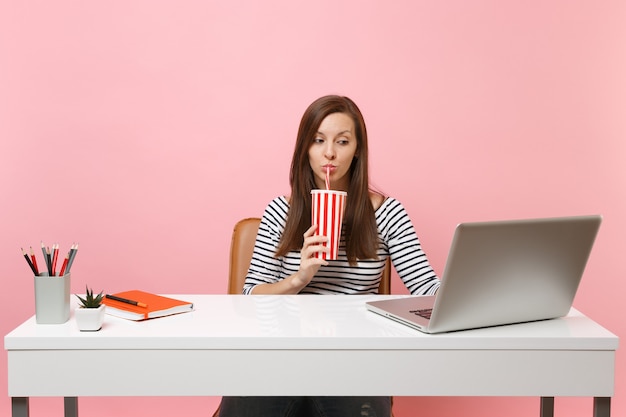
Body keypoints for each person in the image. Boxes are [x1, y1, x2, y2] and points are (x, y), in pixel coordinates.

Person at [218, 95, 441, 417]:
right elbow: (251, 294)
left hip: (353, 356)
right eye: (318, 140)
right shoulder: (281, 212)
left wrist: (471, 291)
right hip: (278, 353)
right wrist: (299, 277)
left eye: (343, 141)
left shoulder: (388, 213)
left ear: (357, 150)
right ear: (304, 149)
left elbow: (425, 287)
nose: (330, 153)